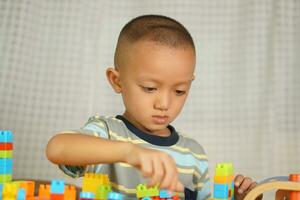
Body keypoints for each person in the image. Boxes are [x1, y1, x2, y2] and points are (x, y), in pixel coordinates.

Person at [46, 14, 262, 200]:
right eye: (150, 88)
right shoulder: (106, 134)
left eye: (179, 91)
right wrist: (129, 153)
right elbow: (57, 148)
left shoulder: (193, 154)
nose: (164, 104)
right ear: (117, 81)